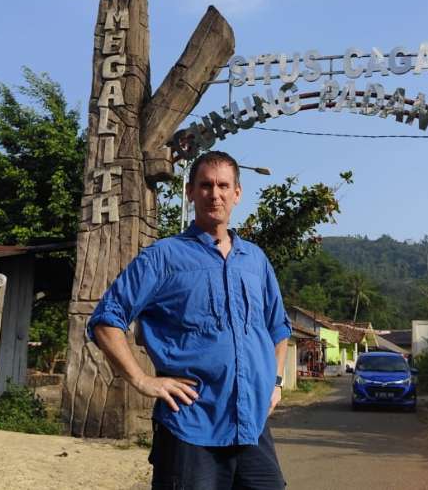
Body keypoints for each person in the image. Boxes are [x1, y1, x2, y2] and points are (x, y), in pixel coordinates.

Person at [87, 151, 291, 489]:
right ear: (190, 192)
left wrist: (276, 383)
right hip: (192, 427)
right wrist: (142, 380)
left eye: (224, 185)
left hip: (251, 426)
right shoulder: (163, 257)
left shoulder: (255, 260)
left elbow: (278, 328)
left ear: (237, 193)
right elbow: (106, 320)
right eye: (206, 185)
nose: (215, 194)